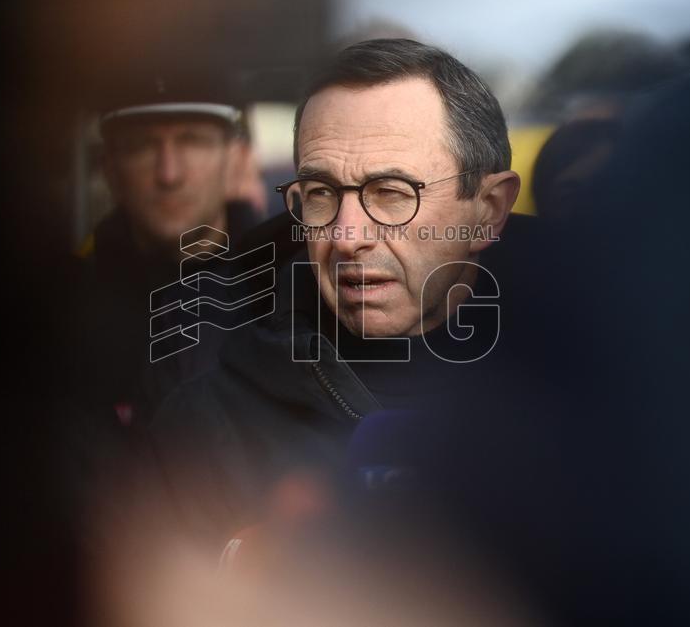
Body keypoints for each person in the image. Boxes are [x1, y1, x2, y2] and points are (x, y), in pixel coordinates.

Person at [144, 39, 544, 547]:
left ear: (489, 209)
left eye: (392, 193)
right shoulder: (203, 430)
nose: (347, 235)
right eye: (320, 194)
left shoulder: (612, 393)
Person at [76, 75, 264, 420]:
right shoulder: (62, 312)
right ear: (109, 170)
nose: (169, 173)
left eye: (192, 141)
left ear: (236, 160)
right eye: (141, 145)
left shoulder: (287, 296)